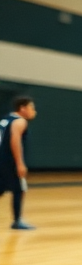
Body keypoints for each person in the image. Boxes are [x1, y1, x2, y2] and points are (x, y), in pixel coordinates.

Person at [0, 96, 37, 230]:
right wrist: (20, 163)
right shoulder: (20, 121)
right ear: (22, 108)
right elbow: (15, 141)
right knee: (20, 189)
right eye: (31, 107)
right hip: (9, 163)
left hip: (1, 161)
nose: (34, 111)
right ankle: (17, 221)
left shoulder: (4, 120)